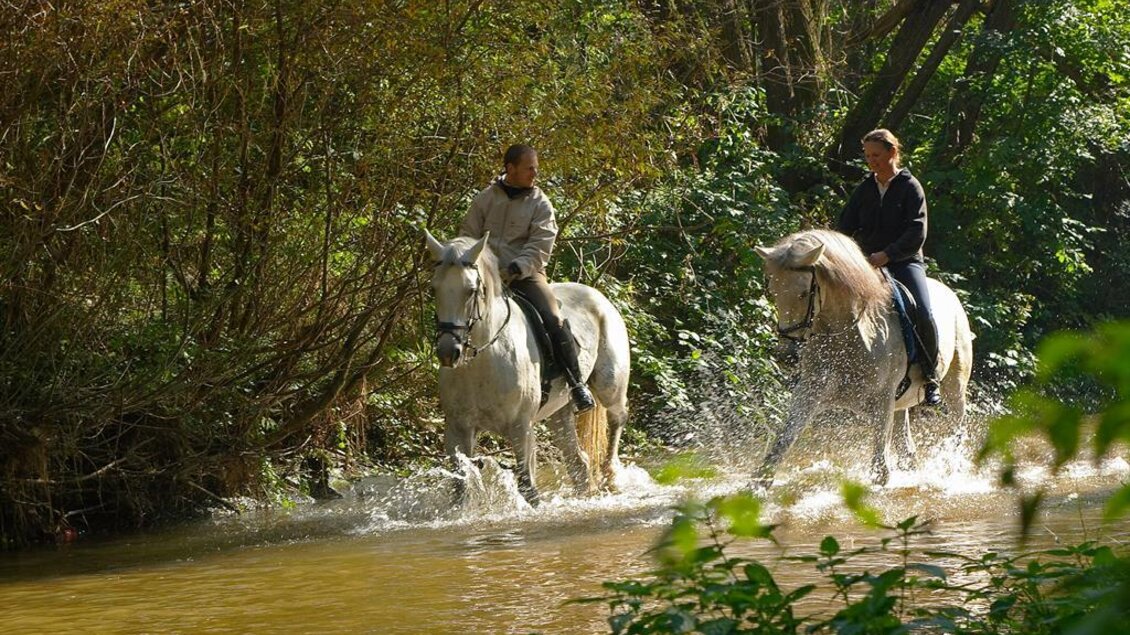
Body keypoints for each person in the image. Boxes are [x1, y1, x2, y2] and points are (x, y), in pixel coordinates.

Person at [460, 144, 596, 413]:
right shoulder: (484, 200)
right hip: (485, 277)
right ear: (510, 169)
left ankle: (576, 383)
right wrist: (476, 267)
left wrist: (515, 268)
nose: (535, 173)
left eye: (536, 168)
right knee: (455, 309)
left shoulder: (540, 204)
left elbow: (541, 244)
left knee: (553, 317)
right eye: (529, 168)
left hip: (525, 276)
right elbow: (468, 237)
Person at [837, 129, 942, 407]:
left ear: (892, 153)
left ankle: (930, 376)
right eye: (868, 156)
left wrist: (888, 254)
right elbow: (845, 227)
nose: (871, 161)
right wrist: (849, 255)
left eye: (876, 155)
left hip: (904, 261)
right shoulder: (865, 189)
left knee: (921, 308)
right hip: (866, 264)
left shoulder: (911, 187)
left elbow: (917, 232)